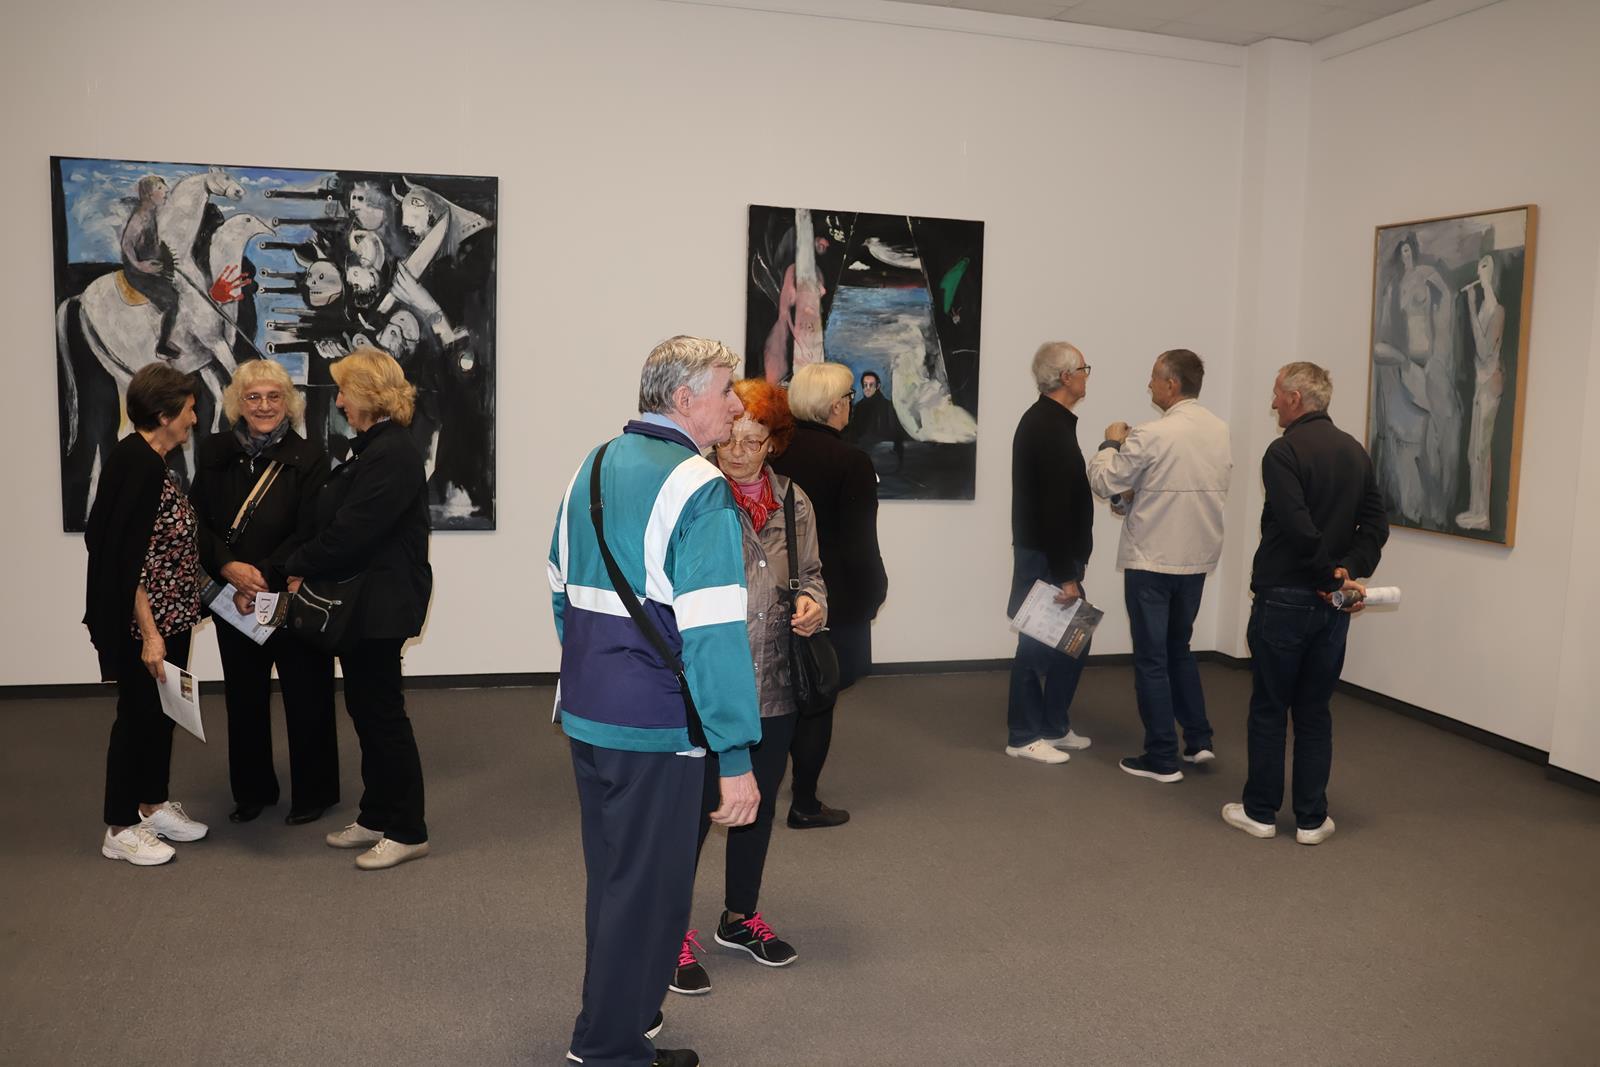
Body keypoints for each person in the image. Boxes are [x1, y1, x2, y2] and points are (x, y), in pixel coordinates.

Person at [548, 335, 762, 1067]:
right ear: (683, 398)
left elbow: (560, 589)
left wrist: (598, 671)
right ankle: (608, 1045)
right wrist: (735, 753)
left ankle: (628, 1015)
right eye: (726, 390)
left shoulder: (592, 464)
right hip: (657, 726)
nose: (736, 404)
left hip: (589, 711)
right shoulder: (700, 486)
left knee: (617, 879)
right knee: (651, 891)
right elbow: (714, 634)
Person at [672, 377, 826, 997]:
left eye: (753, 441)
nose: (738, 452)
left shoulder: (794, 501)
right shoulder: (696, 495)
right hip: (710, 683)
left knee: (755, 806)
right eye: (730, 439)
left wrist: (814, 603)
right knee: (691, 814)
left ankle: (739, 917)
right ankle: (671, 932)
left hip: (778, 680)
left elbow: (812, 573)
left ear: (773, 443)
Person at [273, 348, 433, 871]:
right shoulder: (374, 448)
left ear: (368, 394)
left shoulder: (393, 453)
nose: (339, 401)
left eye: (344, 391)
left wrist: (295, 565)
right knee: (365, 711)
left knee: (382, 715)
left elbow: (352, 533)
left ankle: (407, 829)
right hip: (364, 606)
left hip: (380, 607)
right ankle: (376, 815)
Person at [1222, 362, 1389, 846]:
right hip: (1331, 603)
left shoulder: (1283, 451)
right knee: (1315, 710)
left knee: (1270, 707)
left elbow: (1296, 525)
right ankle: (1312, 819)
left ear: (1295, 398)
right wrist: (1345, 573)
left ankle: (1260, 812)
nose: (1273, 402)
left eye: (1277, 394)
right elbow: (1376, 526)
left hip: (1285, 598)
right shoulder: (1354, 451)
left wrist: (1327, 577)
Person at [189, 358, 338, 825]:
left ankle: (314, 793)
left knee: (307, 694)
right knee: (244, 697)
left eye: (274, 396)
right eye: (253, 397)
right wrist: (228, 568)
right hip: (233, 596)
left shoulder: (310, 456)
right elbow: (197, 521)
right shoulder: (214, 451)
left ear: (288, 403)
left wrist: (260, 577)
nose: (264, 406)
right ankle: (252, 791)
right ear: (238, 402)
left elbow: (311, 530)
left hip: (288, 593)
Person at [83, 363, 209, 865]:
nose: (194, 419)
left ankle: (152, 805)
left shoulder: (152, 460)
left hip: (172, 616)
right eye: (189, 410)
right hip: (147, 624)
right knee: (136, 719)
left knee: (161, 715)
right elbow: (124, 559)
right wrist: (151, 635)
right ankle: (119, 827)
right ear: (163, 415)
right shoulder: (136, 463)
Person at [1087, 349, 1231, 783]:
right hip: (1195, 560)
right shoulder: (1219, 430)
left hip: (1151, 561)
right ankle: (1198, 740)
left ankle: (1162, 756)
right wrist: (1132, 497)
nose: (1148, 384)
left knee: (1151, 659)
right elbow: (1166, 488)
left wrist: (1110, 442)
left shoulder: (1151, 433)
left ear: (1172, 384)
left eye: (1153, 377)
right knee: (1179, 650)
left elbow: (1104, 481)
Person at [770, 360, 887, 827]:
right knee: (818, 697)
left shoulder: (772, 453)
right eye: (849, 399)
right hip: (828, 596)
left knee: (779, 696)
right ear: (837, 405)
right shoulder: (850, 460)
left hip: (772, 594)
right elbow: (860, 542)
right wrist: (874, 592)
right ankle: (804, 802)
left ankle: (764, 785)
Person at [1004, 342, 1095, 765]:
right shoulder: (1045, 426)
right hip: (1046, 556)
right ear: (1065, 377)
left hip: (1053, 555)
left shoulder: (1054, 421)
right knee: (1036, 644)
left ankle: (1053, 726)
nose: (1087, 375)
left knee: (1075, 639)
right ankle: (1023, 735)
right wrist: (1065, 575)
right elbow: (1053, 509)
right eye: (1083, 368)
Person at [1457, 254, 1505, 531]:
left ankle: (1484, 514)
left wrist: (1471, 306)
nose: (1480, 271)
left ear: (1492, 271)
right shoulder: (1486, 309)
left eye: (1485, 266)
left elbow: (1485, 350)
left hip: (1490, 385)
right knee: (1472, 452)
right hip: (1480, 384)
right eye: (1478, 266)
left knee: (1482, 451)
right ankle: (1476, 508)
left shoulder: (1497, 311)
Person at [120, 175, 181, 358]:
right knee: (172, 300)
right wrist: (140, 266)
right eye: (161, 188)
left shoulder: (153, 212)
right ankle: (162, 346)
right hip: (139, 271)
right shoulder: (140, 218)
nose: (166, 191)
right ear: (149, 194)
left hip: (152, 264)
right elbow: (126, 244)